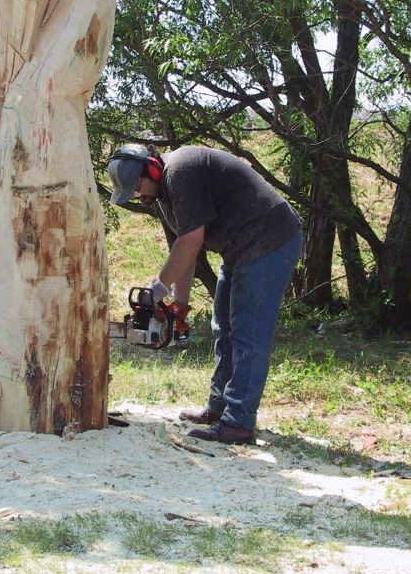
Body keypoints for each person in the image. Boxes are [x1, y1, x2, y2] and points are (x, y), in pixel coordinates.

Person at [107, 143, 303, 445]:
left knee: (248, 334)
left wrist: (157, 290)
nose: (137, 195)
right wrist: (180, 305)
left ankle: (238, 422)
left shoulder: (182, 169)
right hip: (238, 249)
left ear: (152, 169)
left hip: (270, 239)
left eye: (137, 187)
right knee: (223, 328)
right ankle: (219, 407)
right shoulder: (162, 198)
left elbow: (191, 240)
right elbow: (184, 252)